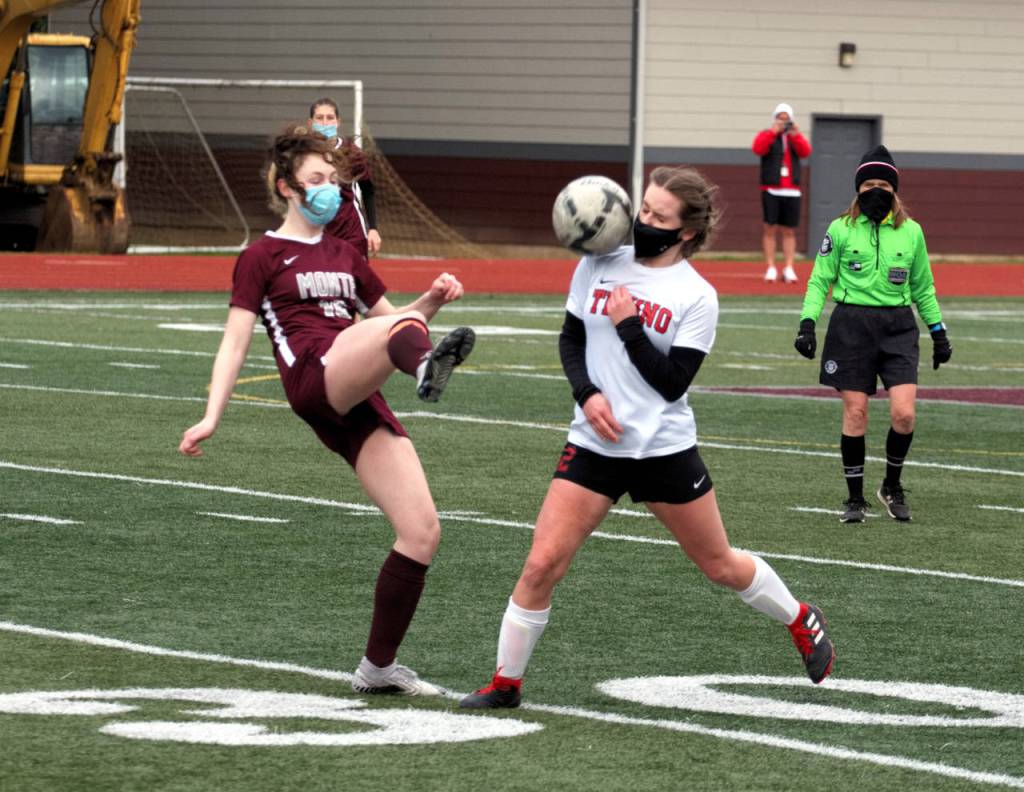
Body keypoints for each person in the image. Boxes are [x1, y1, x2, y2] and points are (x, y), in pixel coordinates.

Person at [459, 166, 835, 710]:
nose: (644, 221)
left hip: (663, 450)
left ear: (686, 231)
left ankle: (800, 617)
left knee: (719, 565)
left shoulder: (697, 295)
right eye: (644, 209)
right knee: (542, 564)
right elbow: (570, 339)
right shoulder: (597, 261)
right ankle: (505, 684)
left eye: (659, 216)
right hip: (593, 445)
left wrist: (629, 326)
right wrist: (587, 392)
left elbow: (672, 381)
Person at [179, 127, 476, 695]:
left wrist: (432, 300)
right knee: (397, 335)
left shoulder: (346, 254)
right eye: (316, 179)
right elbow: (235, 343)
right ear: (287, 187)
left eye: (334, 181)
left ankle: (378, 669)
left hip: (355, 388)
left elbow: (397, 321)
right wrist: (212, 416)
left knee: (421, 531)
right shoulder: (262, 255)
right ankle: (424, 369)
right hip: (313, 375)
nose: (330, 190)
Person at [794, 144, 952, 524]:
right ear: (858, 189)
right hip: (851, 326)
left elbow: (923, 287)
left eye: (883, 185)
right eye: (869, 185)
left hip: (898, 327)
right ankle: (854, 498)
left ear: (895, 189)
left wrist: (938, 331)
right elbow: (820, 280)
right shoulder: (840, 229)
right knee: (856, 412)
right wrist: (807, 323)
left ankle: (891, 486)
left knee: (904, 414)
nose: (876, 191)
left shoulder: (912, 232)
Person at [309, 97, 382, 259]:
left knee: (354, 274)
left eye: (330, 118)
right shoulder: (304, 154)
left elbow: (367, 189)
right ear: (311, 122)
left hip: (350, 231)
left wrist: (373, 228)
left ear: (338, 122)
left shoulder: (352, 153)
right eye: (319, 118)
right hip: (317, 232)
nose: (325, 123)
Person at [752, 103, 812, 283]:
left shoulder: (794, 137)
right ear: (775, 119)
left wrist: (796, 135)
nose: (783, 122)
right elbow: (758, 149)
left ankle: (789, 267)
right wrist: (773, 132)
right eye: (780, 118)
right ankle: (771, 267)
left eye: (787, 119)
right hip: (771, 189)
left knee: (789, 231)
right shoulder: (767, 134)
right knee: (769, 228)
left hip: (792, 191)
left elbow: (805, 152)